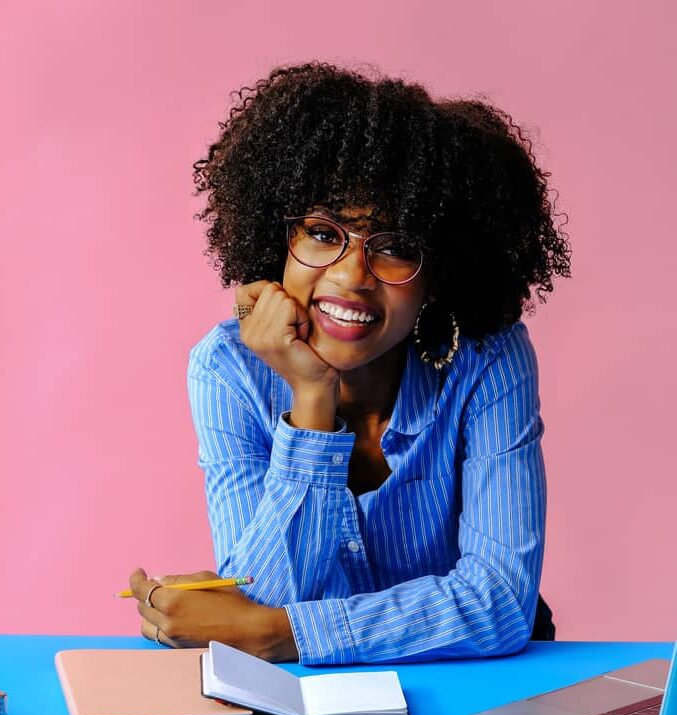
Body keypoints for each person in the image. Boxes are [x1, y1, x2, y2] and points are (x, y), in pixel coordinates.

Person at [128, 62, 570, 664]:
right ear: (277, 241)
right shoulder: (228, 368)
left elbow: (497, 602)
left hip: (471, 688)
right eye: (321, 231)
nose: (351, 276)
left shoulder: (487, 357)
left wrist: (281, 634)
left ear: (439, 277)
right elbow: (267, 595)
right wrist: (312, 398)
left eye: (394, 247)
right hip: (311, 709)